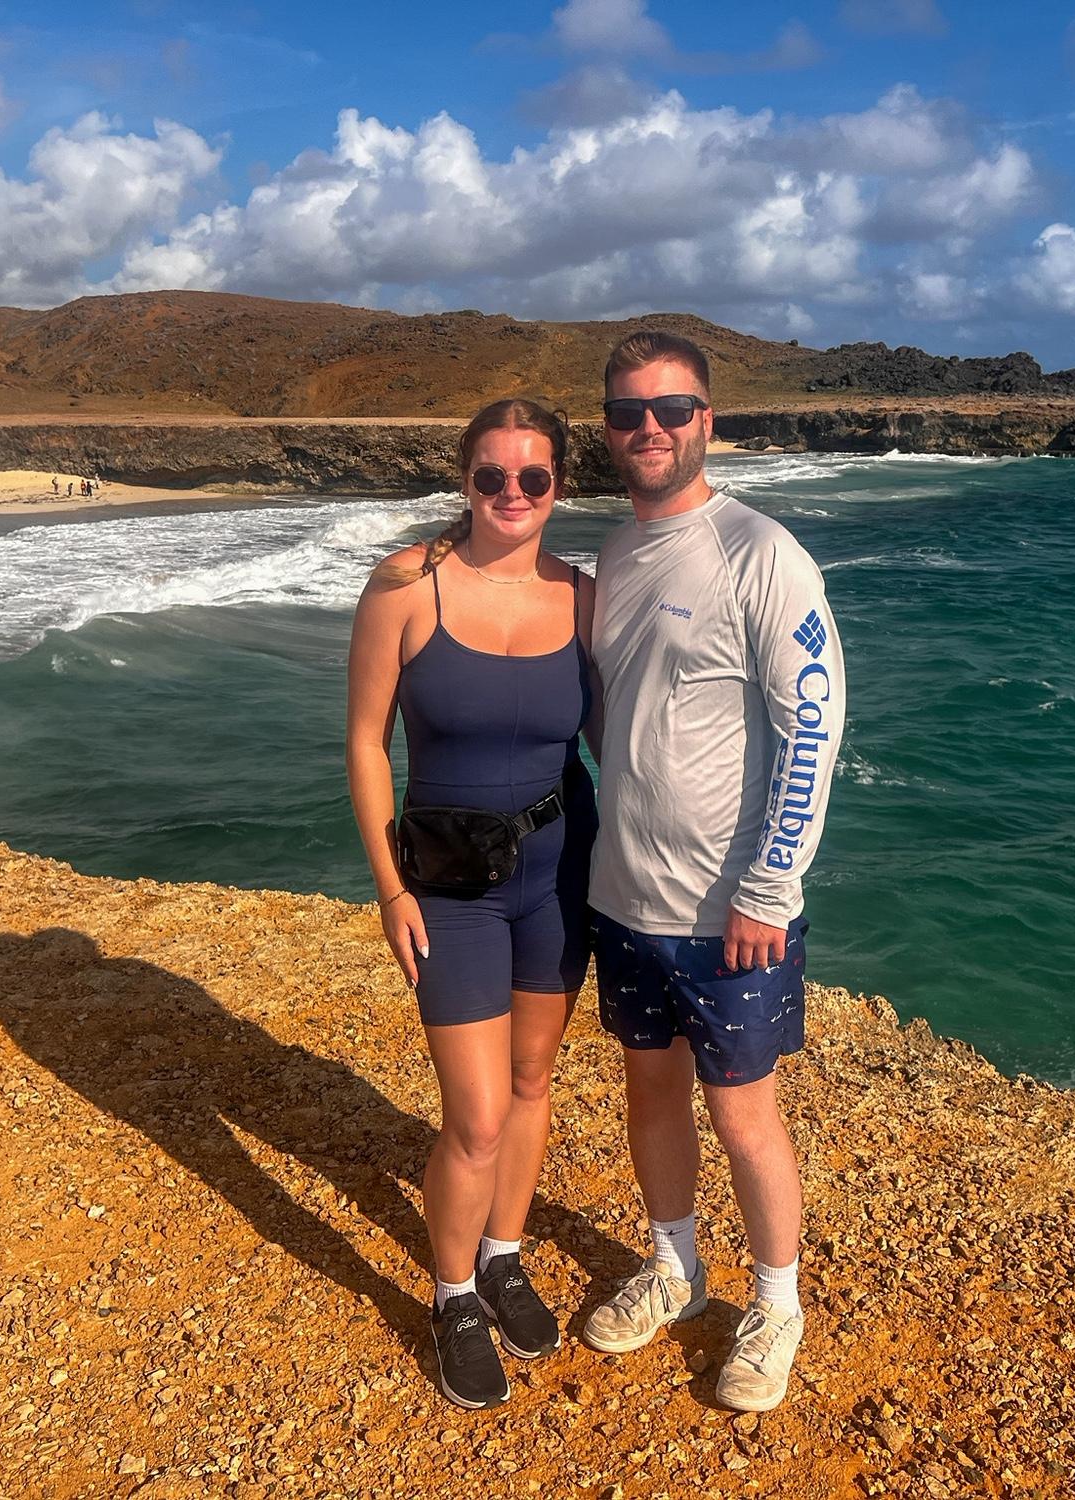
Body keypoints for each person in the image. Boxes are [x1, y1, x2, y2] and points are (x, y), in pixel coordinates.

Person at [581, 331, 845, 1413]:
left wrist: (769, 890)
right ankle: (676, 1268)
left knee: (744, 1116)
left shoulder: (761, 552)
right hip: (623, 897)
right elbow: (614, 716)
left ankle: (776, 1304)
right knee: (651, 1095)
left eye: (672, 409)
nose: (650, 428)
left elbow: (814, 726)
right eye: (628, 412)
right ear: (608, 430)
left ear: (708, 422)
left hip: (731, 910)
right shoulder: (610, 558)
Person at [346, 399, 598, 1409]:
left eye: (532, 477)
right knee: (479, 1117)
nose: (511, 493)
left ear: (559, 486)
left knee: (532, 1082)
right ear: (465, 478)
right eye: (491, 475)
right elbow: (366, 742)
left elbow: (629, 739)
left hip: (559, 875)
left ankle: (503, 1255)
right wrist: (389, 887)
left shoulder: (582, 597)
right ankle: (452, 1295)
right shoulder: (407, 586)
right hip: (449, 887)